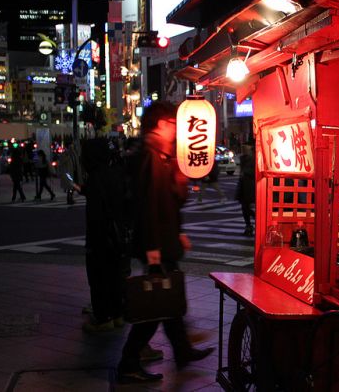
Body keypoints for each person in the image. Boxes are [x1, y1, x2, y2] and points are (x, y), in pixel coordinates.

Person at [117, 101, 214, 383]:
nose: (178, 130)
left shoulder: (162, 156)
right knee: (156, 302)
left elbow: (168, 201)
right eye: (174, 124)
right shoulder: (148, 155)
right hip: (155, 243)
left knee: (167, 298)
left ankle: (182, 351)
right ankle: (128, 362)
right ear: (161, 125)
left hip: (163, 238)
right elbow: (147, 205)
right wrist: (153, 249)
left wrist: (179, 183)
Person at [76, 139, 126, 332]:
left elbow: (97, 213)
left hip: (100, 238)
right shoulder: (115, 173)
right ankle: (117, 314)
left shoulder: (95, 176)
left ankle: (103, 318)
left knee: (98, 278)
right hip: (117, 236)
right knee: (115, 277)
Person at [236, 143, 255, 236]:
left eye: (246, 148)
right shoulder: (243, 158)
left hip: (251, 186)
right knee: (245, 207)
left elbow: (254, 172)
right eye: (243, 148)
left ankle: (251, 224)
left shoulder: (253, 159)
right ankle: (248, 225)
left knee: (247, 207)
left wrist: (245, 172)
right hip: (244, 186)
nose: (244, 149)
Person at [59, 141, 81, 205]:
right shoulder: (64, 154)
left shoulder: (74, 153)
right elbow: (62, 162)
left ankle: (70, 198)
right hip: (68, 173)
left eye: (72, 146)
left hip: (75, 172)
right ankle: (69, 199)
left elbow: (77, 162)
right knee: (70, 186)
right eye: (70, 146)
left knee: (73, 186)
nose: (72, 147)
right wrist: (67, 155)